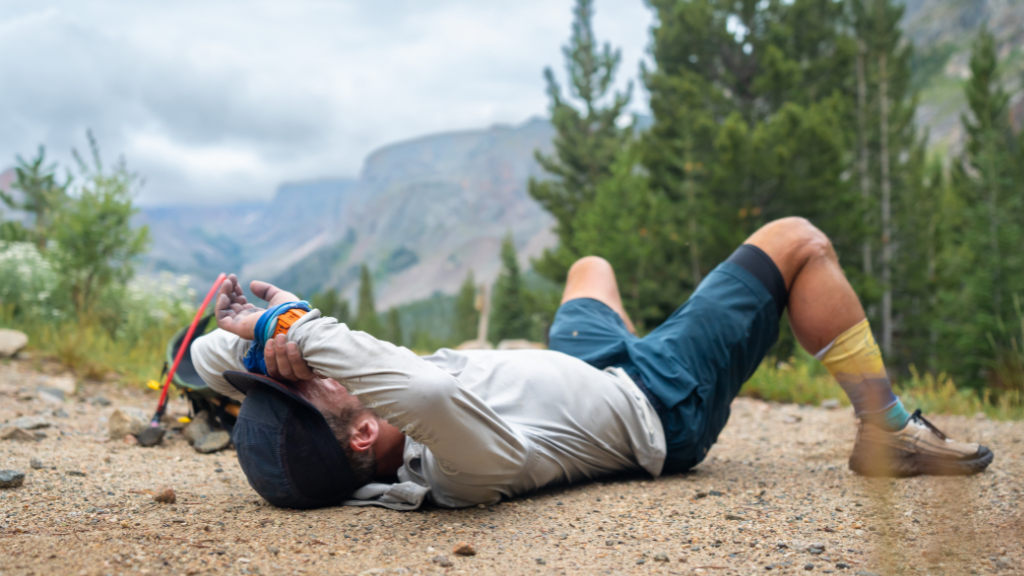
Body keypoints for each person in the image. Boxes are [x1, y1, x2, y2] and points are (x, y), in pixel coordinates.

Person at [192, 217, 993, 510]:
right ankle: (886, 428)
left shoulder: (369, 422)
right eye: (317, 389)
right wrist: (293, 324)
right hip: (656, 405)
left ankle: (676, 344)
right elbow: (427, 386)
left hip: (592, 366)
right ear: (365, 432)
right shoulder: (460, 469)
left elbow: (204, 354)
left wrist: (257, 342)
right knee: (796, 242)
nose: (316, 373)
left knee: (591, 269)